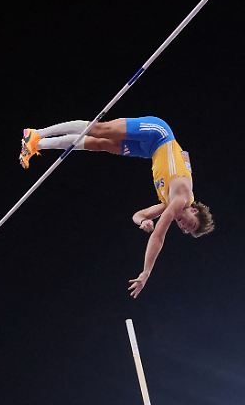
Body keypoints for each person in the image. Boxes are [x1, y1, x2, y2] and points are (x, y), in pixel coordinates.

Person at [19, 116, 215, 298]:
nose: (182, 226)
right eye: (189, 224)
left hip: (151, 150)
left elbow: (138, 215)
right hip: (159, 133)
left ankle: (37, 144)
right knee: (101, 130)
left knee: (100, 145)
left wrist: (144, 221)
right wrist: (146, 272)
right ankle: (38, 133)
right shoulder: (181, 198)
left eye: (185, 230)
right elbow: (158, 236)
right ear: (194, 210)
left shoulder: (169, 204)